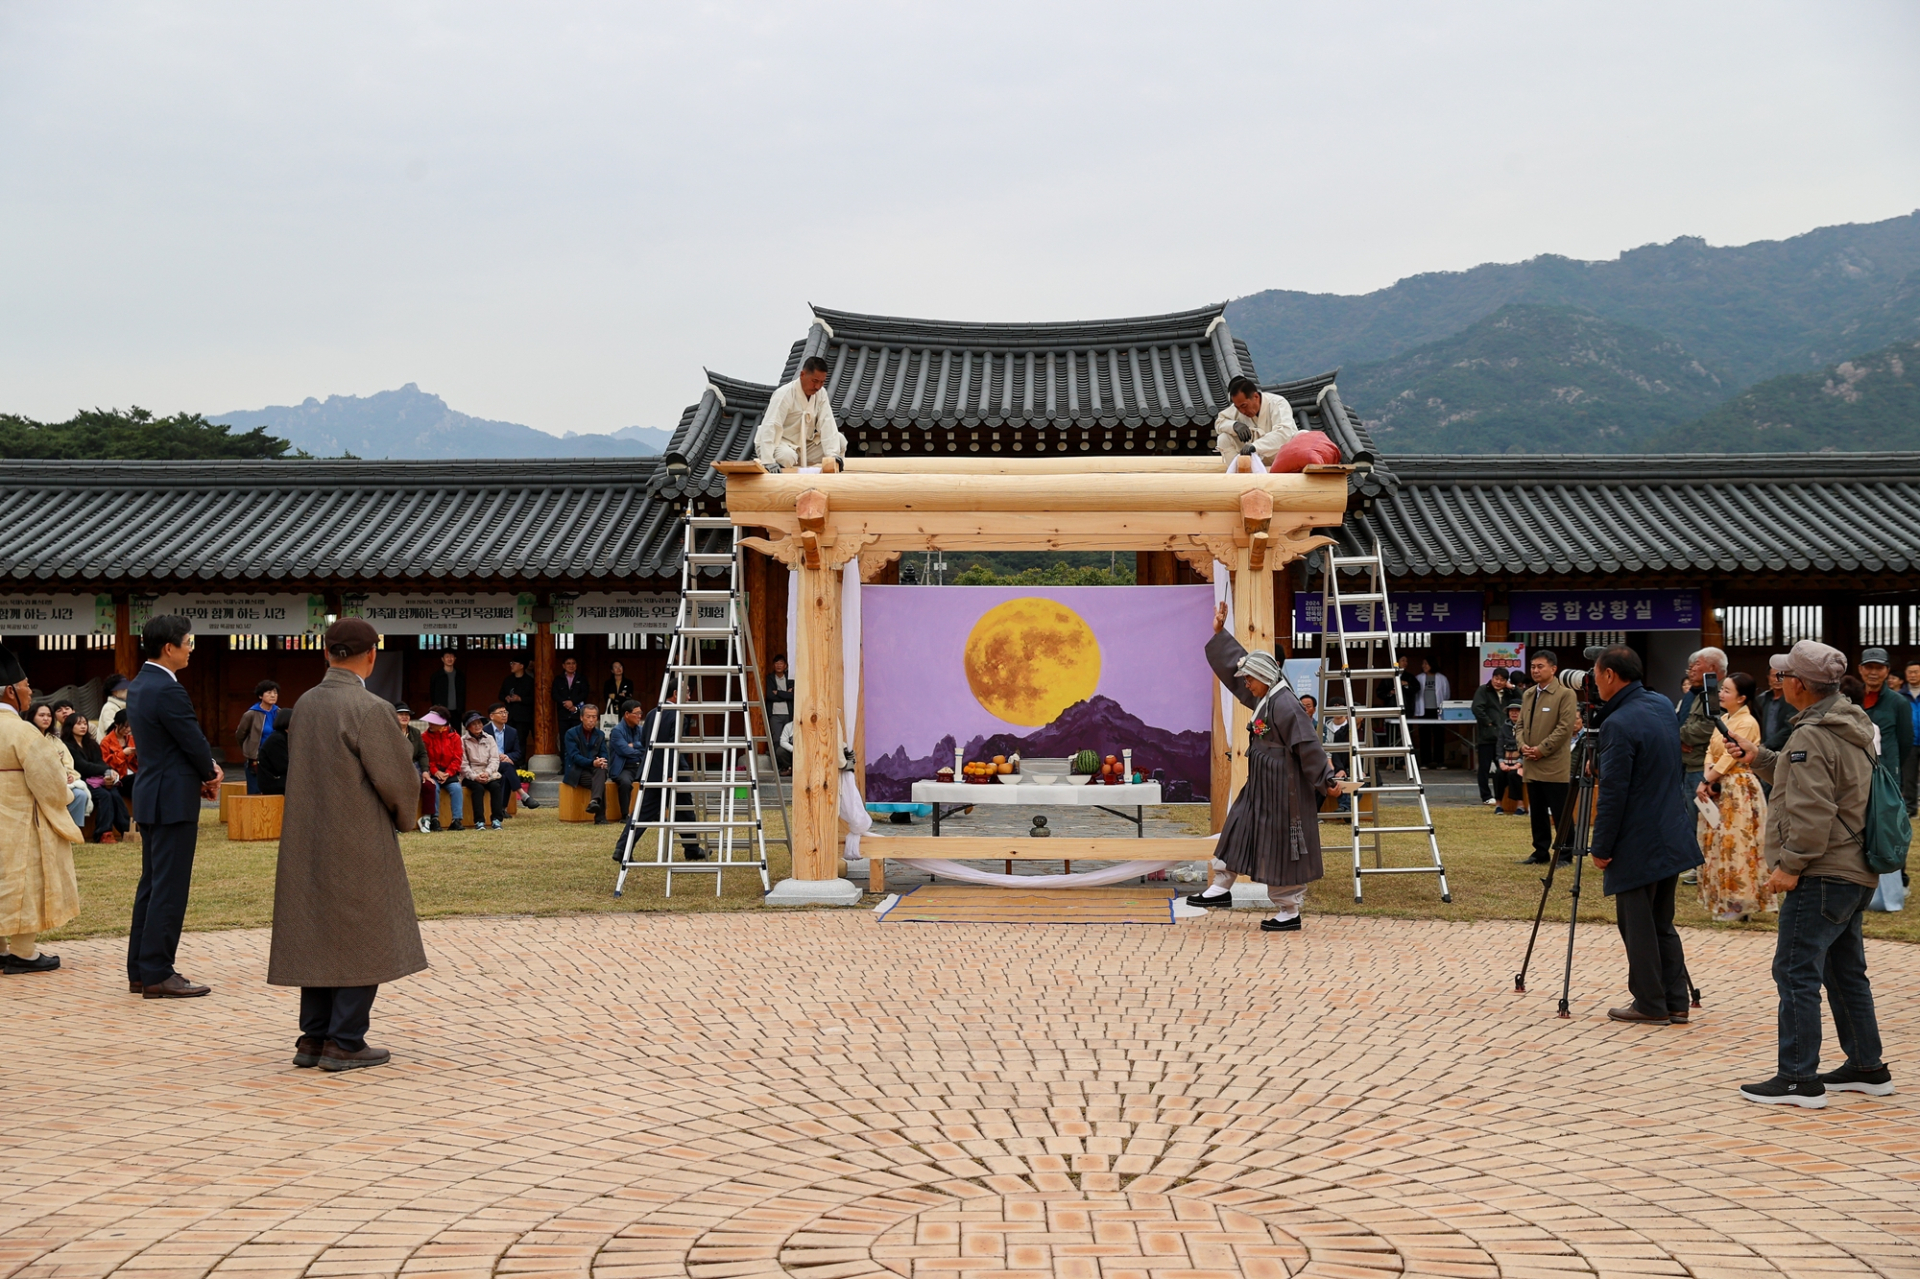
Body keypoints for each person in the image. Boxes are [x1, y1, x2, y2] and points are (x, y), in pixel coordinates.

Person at [1723, 640, 1888, 1107]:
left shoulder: (1814, 733)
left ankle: (1797, 1078)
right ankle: (1867, 1065)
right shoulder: (1849, 723)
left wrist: (1791, 866)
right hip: (1852, 869)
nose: (1779, 680)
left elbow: (1814, 808)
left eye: (1784, 674)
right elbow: (1816, 783)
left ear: (1798, 684)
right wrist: (1759, 757)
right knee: (1844, 971)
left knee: (1795, 970)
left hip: (1821, 871)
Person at [269, 617, 427, 1072]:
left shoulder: (306, 703)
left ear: (326, 653)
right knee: (364, 934)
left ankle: (313, 1037)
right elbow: (398, 780)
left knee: (316, 931)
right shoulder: (370, 708)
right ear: (372, 655)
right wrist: (405, 818)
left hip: (307, 835)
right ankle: (346, 1040)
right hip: (357, 834)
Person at [1188, 601, 1354, 930]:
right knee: (1238, 825)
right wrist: (1221, 634)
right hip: (1262, 782)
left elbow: (1308, 746)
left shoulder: (1287, 705)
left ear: (1264, 679)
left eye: (1250, 679)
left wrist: (1326, 779)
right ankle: (1220, 887)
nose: (1245, 684)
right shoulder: (1266, 696)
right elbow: (1238, 680)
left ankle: (1289, 911)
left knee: (1283, 846)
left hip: (1286, 788)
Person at [1585, 646, 1703, 1025]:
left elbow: (1614, 793)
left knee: (1637, 926)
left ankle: (1650, 1004)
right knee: (1661, 923)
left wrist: (1601, 847)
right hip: (1671, 829)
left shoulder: (1618, 724)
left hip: (1638, 838)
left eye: (1595, 672)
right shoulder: (1660, 705)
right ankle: (1675, 1002)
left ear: (1609, 676)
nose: (1592, 679)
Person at [125, 615, 222, 998]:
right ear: (169, 648)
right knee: (169, 887)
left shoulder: (139, 685)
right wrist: (210, 772)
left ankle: (140, 969)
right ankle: (157, 972)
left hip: (153, 793)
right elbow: (191, 740)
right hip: (173, 798)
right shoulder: (167, 689)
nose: (191, 648)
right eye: (188, 642)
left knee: (151, 885)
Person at [0, 643, 84, 974]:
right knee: (23, 881)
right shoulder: (23, 731)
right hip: (20, 820)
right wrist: (65, 795)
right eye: (25, 685)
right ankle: (22, 952)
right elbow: (50, 782)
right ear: (9, 691)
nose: (30, 691)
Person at [1693, 671, 1771, 922]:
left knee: (1737, 844)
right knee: (1717, 843)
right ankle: (1724, 899)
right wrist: (1707, 777)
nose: (1721, 694)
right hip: (1719, 784)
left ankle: (1740, 904)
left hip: (1738, 788)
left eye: (1727, 690)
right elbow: (1711, 750)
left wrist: (1708, 779)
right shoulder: (1724, 717)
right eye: (1721, 690)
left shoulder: (1747, 722)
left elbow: (1731, 756)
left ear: (1742, 698)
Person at [1516, 650, 1577, 865]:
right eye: (1533, 666)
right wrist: (1523, 746)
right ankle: (1540, 852)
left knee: (1560, 811)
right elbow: (1520, 724)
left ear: (1553, 669)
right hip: (1531, 761)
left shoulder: (1565, 694)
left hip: (1553, 763)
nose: (1535, 670)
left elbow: (1564, 728)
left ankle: (1566, 853)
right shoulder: (1529, 693)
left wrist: (1542, 749)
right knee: (1537, 812)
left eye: (1540, 666)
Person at [633, 690, 704, 859]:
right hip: (673, 770)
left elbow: (644, 741)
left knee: (643, 813)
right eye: (687, 693)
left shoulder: (652, 712)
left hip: (652, 769)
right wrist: (672, 771)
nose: (689, 697)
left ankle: (622, 849)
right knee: (685, 810)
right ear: (675, 693)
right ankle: (692, 848)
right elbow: (675, 746)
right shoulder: (678, 715)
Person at [754, 355, 844, 470]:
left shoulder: (821, 394)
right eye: (814, 381)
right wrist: (767, 461)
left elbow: (827, 423)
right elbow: (770, 426)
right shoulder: (784, 394)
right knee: (787, 456)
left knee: (839, 440)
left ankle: (833, 475)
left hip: (803, 446)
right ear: (802, 375)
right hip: (779, 443)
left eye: (822, 382)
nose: (818, 386)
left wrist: (832, 455)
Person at [61, 714, 130, 843]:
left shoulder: (91, 743)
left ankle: (126, 830)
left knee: (114, 793)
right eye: (78, 724)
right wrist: (106, 770)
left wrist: (109, 773)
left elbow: (100, 762)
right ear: (70, 727)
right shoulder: (66, 745)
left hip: (97, 779)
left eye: (85, 724)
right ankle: (103, 833)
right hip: (80, 780)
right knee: (104, 795)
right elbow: (82, 766)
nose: (83, 726)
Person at [1211, 375, 1298, 468]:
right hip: (1254, 459)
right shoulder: (1238, 408)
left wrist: (1255, 446)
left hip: (1281, 456)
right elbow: (1219, 422)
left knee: (1302, 435)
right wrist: (1234, 425)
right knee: (1223, 438)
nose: (1242, 411)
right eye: (1238, 408)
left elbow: (1284, 433)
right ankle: (1238, 471)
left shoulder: (1278, 403)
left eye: (1244, 406)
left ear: (1255, 396)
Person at [1856, 648, 1910, 783]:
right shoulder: (1851, 699)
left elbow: (1905, 742)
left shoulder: (1899, 702)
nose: (1873, 672)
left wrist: (1892, 761)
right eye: (1869, 667)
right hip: (1855, 769)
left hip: (1886, 770)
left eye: (1879, 668)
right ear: (1860, 669)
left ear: (1887, 671)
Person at [1678, 647, 1728, 794]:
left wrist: (1678, 735)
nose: (1693, 669)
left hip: (1707, 767)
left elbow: (1710, 727)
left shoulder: (1720, 693)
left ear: (1711, 668)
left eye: (1698, 664)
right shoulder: (1703, 691)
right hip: (1693, 764)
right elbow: (1688, 722)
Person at [33, 702, 91, 831]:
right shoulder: (27, 737)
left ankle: (72, 831)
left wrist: (70, 776)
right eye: (41, 715)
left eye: (48, 715)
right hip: (38, 783)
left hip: (62, 782)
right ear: (32, 717)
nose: (46, 718)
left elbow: (68, 763)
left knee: (80, 794)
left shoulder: (55, 740)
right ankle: (54, 829)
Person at [563, 702, 614, 824]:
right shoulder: (571, 733)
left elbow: (604, 753)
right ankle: (600, 816)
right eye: (588, 717)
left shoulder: (600, 734)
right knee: (599, 781)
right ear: (581, 718)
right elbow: (575, 757)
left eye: (594, 717)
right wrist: (593, 763)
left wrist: (602, 761)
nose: (591, 720)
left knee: (601, 771)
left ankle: (594, 802)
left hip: (595, 769)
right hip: (577, 770)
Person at [1472, 669, 1516, 805]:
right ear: (1491, 678)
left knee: (1505, 768)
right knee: (1484, 768)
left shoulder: (1509, 693)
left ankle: (1504, 796)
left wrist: (1513, 688)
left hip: (1505, 738)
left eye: (1502, 680)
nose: (1498, 682)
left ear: (1506, 681)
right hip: (1487, 737)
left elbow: (1523, 700)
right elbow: (1477, 708)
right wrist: (1488, 723)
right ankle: (1486, 796)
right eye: (1496, 678)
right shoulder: (1483, 690)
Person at [460, 711, 508, 830]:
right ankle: (479, 821)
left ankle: (497, 819)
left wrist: (487, 772)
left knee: (495, 787)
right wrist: (475, 776)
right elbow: (463, 764)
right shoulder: (463, 741)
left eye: (479, 723)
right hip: (471, 774)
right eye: (473, 724)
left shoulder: (489, 738)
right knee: (478, 788)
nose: (477, 726)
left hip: (488, 773)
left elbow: (494, 759)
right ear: (468, 727)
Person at [420, 709, 466, 831]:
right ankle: (434, 819)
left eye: (434, 722)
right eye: (429, 722)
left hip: (449, 773)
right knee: (434, 787)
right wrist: (435, 771)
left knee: (457, 789)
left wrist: (448, 773)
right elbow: (425, 757)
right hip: (433, 773)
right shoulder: (424, 737)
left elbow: (457, 758)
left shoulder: (455, 737)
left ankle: (456, 820)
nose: (430, 724)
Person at [483, 702, 536, 809]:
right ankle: (523, 795)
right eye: (500, 713)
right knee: (508, 767)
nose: (504, 715)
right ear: (491, 716)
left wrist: (508, 757)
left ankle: (501, 808)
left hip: (505, 763)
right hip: (487, 764)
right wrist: (497, 757)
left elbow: (518, 752)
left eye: (505, 712)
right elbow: (481, 752)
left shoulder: (512, 731)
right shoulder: (484, 731)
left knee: (507, 774)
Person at [234, 680, 281, 794]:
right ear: (260, 695)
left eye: (275, 693)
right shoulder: (251, 714)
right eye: (269, 693)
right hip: (257, 758)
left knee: (274, 791)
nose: (273, 695)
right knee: (255, 791)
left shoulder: (279, 713)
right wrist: (249, 749)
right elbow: (240, 735)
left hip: (275, 758)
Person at [395, 704, 434, 832]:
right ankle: (397, 821)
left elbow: (422, 754)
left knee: (429, 785)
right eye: (401, 714)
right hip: (395, 768)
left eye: (407, 714)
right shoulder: (389, 732)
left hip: (414, 766)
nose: (405, 717)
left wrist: (425, 772)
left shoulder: (415, 732)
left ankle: (426, 819)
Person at [608, 699, 647, 821]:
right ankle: (625, 815)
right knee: (625, 783)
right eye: (636, 713)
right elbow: (625, 751)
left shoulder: (641, 729)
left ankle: (654, 813)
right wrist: (640, 750)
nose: (639, 716)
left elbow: (648, 746)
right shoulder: (617, 731)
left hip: (640, 765)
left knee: (655, 779)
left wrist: (634, 745)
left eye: (640, 713)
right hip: (624, 767)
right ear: (626, 714)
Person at [1410, 659, 1451, 768]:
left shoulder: (1442, 678)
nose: (1424, 666)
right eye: (1423, 663)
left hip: (1438, 710)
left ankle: (1439, 762)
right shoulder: (1419, 678)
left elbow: (1446, 694)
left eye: (1426, 663)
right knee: (1424, 737)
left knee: (1439, 736)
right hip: (1423, 710)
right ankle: (1425, 762)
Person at [101, 709, 138, 817]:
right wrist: (123, 754)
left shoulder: (131, 738)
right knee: (138, 780)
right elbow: (106, 764)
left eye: (130, 726)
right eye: (125, 727)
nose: (128, 730)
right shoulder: (106, 741)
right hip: (119, 777)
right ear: (117, 724)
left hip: (133, 773)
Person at [1494, 701, 1527, 814]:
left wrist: (1518, 764)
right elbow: (1499, 746)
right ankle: (1498, 804)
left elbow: (1528, 746)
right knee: (1498, 774)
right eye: (1511, 711)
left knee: (1514, 775)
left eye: (1517, 711)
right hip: (1506, 761)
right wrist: (1501, 763)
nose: (1514, 713)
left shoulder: (1527, 727)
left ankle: (1520, 805)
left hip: (1523, 763)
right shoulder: (1504, 728)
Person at [498, 657, 535, 749]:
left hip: (523, 716)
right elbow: (500, 695)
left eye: (514, 663)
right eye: (511, 663)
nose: (512, 665)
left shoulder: (529, 681)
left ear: (521, 666)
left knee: (521, 740)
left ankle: (520, 762)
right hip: (509, 715)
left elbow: (534, 698)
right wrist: (505, 697)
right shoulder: (508, 680)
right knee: (508, 739)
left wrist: (520, 699)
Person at [553, 655, 592, 739]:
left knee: (578, 738)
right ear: (563, 666)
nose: (571, 666)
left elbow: (584, 693)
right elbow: (554, 694)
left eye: (573, 663)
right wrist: (565, 703)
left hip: (577, 712)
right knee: (564, 738)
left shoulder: (581, 678)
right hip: (563, 713)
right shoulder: (558, 679)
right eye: (568, 663)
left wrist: (572, 702)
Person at [767, 655, 794, 771]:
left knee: (789, 739)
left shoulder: (790, 678)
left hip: (789, 713)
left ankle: (790, 764)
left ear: (785, 666)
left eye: (781, 663)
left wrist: (778, 692)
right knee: (777, 739)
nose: (779, 665)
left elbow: (793, 696)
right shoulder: (770, 678)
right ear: (773, 665)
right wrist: (785, 695)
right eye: (776, 663)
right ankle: (780, 765)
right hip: (775, 713)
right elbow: (769, 695)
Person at [257, 710, 291, 796]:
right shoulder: (277, 739)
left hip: (281, 779)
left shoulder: (284, 737)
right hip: (273, 782)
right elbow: (283, 765)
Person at [1903, 659, 1920, 817]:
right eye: (1910, 672)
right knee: (1909, 777)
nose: (1913, 675)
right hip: (1910, 742)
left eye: (1916, 671)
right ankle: (1911, 808)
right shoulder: (1900, 696)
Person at [429, 651, 465, 723]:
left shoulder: (460, 675)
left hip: (456, 710)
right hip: (441, 710)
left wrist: (461, 707)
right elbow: (432, 693)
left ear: (455, 658)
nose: (449, 659)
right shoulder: (436, 676)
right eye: (447, 657)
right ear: (442, 659)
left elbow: (463, 693)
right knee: (441, 730)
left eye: (451, 656)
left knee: (456, 731)